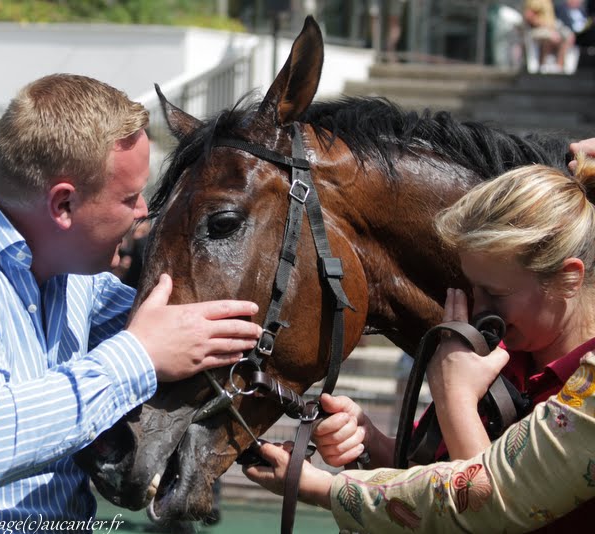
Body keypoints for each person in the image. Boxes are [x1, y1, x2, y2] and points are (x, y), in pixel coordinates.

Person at [0, 73, 263, 531]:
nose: (143, 211)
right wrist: (139, 356)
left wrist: (307, 403)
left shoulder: (71, 274)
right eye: (129, 196)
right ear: (63, 205)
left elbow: (185, 329)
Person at [244, 139, 595, 532]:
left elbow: (485, 507)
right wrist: (373, 443)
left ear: (568, 278)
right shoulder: (504, 352)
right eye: (473, 288)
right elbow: (433, 478)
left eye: (496, 293)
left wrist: (455, 396)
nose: (479, 310)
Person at [524, 0, 576, 72]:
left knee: (568, 36)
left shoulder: (549, 2)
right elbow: (529, 16)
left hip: (551, 29)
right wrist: (545, 25)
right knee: (551, 37)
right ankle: (543, 66)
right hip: (536, 30)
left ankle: (559, 68)